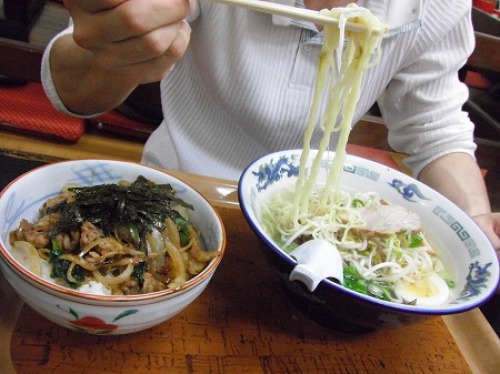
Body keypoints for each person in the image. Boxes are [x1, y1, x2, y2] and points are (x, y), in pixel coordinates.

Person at [41, 0, 500, 256]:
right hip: (176, 205)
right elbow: (75, 93)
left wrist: (477, 227)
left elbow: (434, 126)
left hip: (315, 235)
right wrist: (115, 46)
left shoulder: (436, 6)